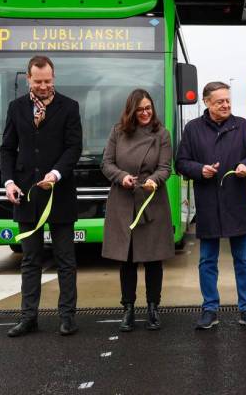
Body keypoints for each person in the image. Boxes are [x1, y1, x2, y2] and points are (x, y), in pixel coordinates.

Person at [1, 55, 83, 337]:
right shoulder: (15, 108)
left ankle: (68, 316)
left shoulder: (69, 107)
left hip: (59, 193)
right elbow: (8, 149)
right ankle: (28, 317)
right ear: (28, 79)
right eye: (38, 81)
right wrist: (9, 181)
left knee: (65, 259)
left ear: (54, 78)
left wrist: (56, 174)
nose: (44, 86)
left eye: (48, 80)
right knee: (30, 259)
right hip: (25, 195)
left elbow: (74, 148)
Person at [176, 81, 246, 330]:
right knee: (207, 261)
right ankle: (209, 309)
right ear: (206, 102)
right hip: (208, 204)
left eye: (228, 100)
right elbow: (181, 162)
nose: (226, 105)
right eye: (220, 101)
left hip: (238, 203)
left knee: (243, 260)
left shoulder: (242, 126)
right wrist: (199, 170)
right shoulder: (192, 129)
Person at [101, 89, 174, 332]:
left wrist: (155, 179)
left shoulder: (162, 134)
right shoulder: (117, 132)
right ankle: (128, 309)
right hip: (123, 202)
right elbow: (106, 164)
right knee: (127, 260)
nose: (145, 113)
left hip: (152, 201)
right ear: (131, 110)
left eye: (148, 108)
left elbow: (165, 167)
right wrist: (121, 177)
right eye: (140, 109)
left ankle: (153, 307)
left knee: (154, 260)